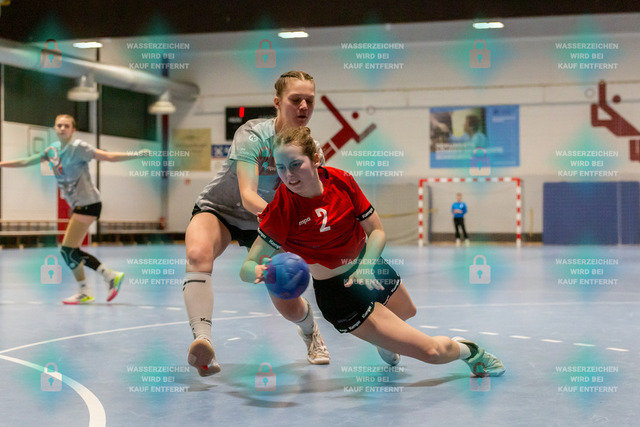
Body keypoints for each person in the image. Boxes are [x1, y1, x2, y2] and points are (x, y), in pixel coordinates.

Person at [240, 126, 505, 377]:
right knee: (431, 351)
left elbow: (376, 231)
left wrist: (367, 264)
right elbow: (247, 266)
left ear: (316, 160)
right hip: (339, 293)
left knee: (408, 312)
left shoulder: (341, 181)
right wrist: (261, 271)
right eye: (281, 167)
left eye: (295, 164)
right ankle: (470, 351)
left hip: (370, 266)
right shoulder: (281, 210)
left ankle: (384, 341)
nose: (288, 175)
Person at [184, 71, 330, 377]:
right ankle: (203, 342)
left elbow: (312, 199)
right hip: (223, 210)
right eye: (296, 99)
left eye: (309, 100)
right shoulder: (252, 134)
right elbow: (248, 195)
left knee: (286, 298)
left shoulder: (311, 150)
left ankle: (310, 331)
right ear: (277, 102)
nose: (304, 106)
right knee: (197, 255)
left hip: (269, 226)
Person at [0, 114, 148, 304]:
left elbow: (108, 156)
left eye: (66, 126)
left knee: (67, 249)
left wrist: (137, 154)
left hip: (89, 204)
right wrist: (2, 164)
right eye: (59, 125)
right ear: (55, 128)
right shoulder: (52, 151)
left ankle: (104, 279)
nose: (62, 128)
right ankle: (95, 284)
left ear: (73, 130)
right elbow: (27, 161)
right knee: (71, 251)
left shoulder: (79, 148)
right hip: (78, 205)